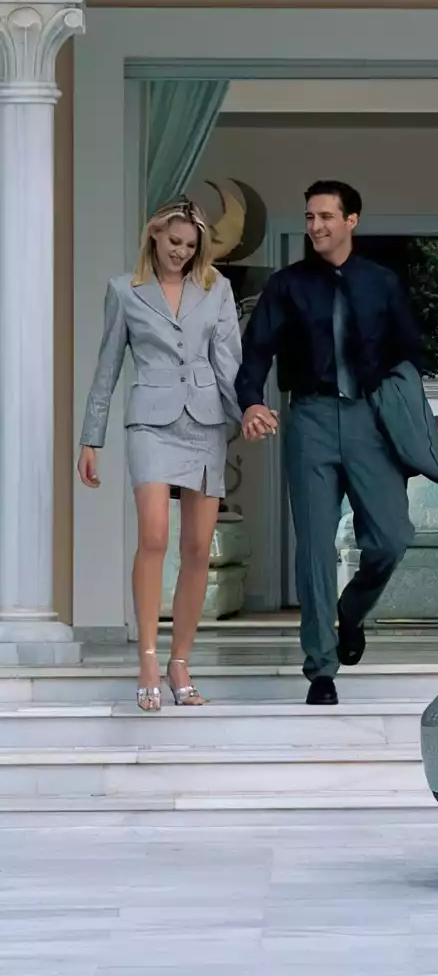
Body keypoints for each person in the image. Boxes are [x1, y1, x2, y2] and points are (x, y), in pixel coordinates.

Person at [237, 181, 426, 706]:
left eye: (325, 216)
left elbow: (410, 350)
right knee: (315, 547)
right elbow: (256, 352)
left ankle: (350, 612)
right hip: (311, 418)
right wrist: (250, 402)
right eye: (309, 216)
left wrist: (396, 401)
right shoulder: (287, 286)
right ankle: (321, 668)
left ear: (351, 221)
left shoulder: (382, 283)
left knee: (391, 538)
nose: (315, 225)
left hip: (370, 419)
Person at [78, 197, 241, 712]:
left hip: (205, 422)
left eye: (190, 246)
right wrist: (91, 438)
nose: (181, 252)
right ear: (154, 235)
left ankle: (180, 662)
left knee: (197, 548)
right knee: (153, 535)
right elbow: (107, 366)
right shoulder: (124, 291)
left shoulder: (216, 289)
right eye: (174, 242)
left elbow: (229, 363)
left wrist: (249, 411)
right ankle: (148, 657)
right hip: (149, 421)